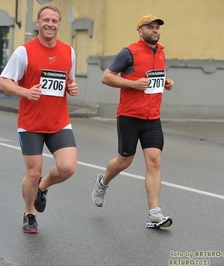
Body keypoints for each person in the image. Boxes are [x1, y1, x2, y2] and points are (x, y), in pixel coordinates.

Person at [0, 3, 79, 234]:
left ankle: (42, 187)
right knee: (32, 172)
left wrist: (72, 87)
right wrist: (25, 92)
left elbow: (69, 81)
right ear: (38, 23)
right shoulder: (24, 52)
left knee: (67, 168)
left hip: (58, 121)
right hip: (31, 123)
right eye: (46, 20)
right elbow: (3, 82)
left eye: (54, 21)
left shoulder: (69, 52)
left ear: (59, 24)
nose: (50, 24)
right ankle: (29, 213)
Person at [91, 14, 174, 229]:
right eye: (150, 27)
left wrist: (164, 82)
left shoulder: (161, 52)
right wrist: (132, 84)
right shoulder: (128, 53)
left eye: (157, 27)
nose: (155, 30)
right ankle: (103, 182)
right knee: (124, 161)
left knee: (154, 161)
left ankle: (154, 214)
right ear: (140, 31)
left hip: (153, 117)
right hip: (129, 116)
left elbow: (151, 77)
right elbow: (106, 77)